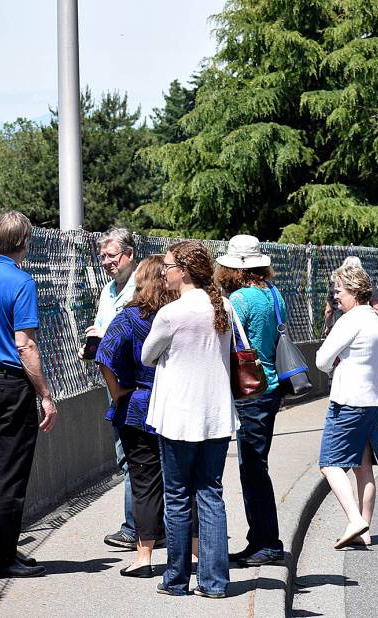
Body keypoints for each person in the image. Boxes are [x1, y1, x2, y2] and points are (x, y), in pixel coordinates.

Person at [142, 240, 239, 598]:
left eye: (168, 265)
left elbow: (147, 356)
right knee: (211, 495)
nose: (164, 272)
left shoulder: (172, 314)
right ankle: (214, 582)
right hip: (216, 415)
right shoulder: (224, 306)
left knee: (178, 497)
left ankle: (177, 579)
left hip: (179, 417)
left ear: (182, 270)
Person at [95, 255, 174, 578]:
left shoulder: (129, 317)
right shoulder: (179, 315)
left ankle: (144, 557)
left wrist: (117, 393)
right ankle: (195, 554)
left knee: (144, 483)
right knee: (183, 481)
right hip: (174, 405)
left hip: (137, 406)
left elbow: (104, 355)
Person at [0, 211, 57, 579]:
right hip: (8, 386)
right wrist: (44, 394)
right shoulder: (21, 282)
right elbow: (25, 345)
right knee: (8, 474)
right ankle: (1, 557)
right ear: (26, 243)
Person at [214, 235, 286, 568]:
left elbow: (224, 338)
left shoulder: (240, 299)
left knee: (253, 468)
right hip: (271, 386)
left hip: (251, 392)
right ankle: (260, 539)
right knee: (257, 465)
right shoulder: (273, 294)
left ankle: (266, 542)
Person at [314, 264, 378, 549]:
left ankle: (354, 519)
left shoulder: (350, 320)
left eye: (339, 290)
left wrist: (338, 362)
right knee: (364, 467)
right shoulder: (374, 319)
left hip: (347, 402)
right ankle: (364, 530)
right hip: (372, 401)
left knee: (329, 464)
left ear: (354, 291)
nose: (336, 296)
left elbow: (321, 360)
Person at [88, 228, 141, 551]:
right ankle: (146, 523)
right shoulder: (108, 289)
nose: (107, 262)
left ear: (129, 254)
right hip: (112, 378)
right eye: (103, 257)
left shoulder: (142, 287)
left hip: (133, 380)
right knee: (126, 453)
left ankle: (134, 526)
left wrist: (106, 335)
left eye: (112, 256)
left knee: (133, 454)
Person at [322, 256, 378, 339]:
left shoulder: (336, 284)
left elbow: (329, 310)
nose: (336, 295)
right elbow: (377, 308)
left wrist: (328, 326)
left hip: (340, 326)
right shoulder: (367, 284)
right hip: (362, 327)